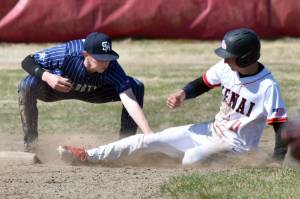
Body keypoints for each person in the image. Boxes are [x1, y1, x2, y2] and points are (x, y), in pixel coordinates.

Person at [58, 28, 288, 165]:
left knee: (191, 159)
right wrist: (183, 94)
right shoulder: (226, 67)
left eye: (230, 56)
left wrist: (277, 163)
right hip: (209, 131)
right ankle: (88, 156)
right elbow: (202, 83)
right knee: (148, 139)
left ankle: (166, 156)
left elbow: (281, 127)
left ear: (247, 58)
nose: (225, 59)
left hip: (236, 148)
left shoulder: (267, 86)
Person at [18, 32, 153, 152]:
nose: (105, 63)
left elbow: (129, 100)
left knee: (136, 86)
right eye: (100, 58)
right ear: (85, 55)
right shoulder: (67, 53)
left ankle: (126, 146)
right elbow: (27, 61)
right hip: (59, 89)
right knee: (26, 84)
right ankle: (32, 146)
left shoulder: (112, 66)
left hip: (95, 92)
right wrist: (47, 76)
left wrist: (148, 133)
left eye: (107, 58)